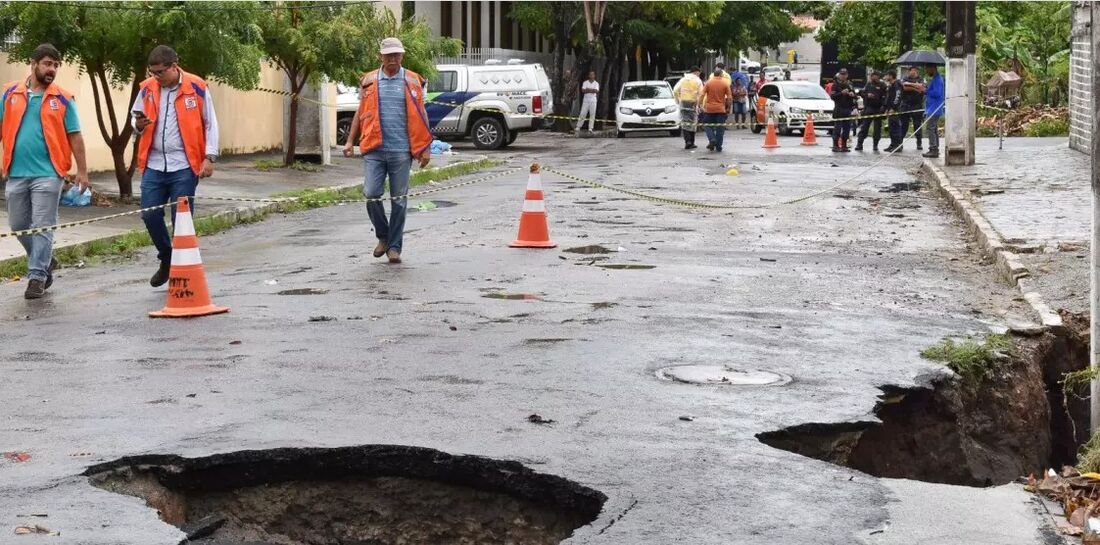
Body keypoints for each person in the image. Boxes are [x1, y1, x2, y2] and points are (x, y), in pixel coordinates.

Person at [1, 43, 89, 299]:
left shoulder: (63, 98)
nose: (52, 70)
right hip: (16, 172)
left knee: (42, 226)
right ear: (34, 63)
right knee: (18, 225)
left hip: (49, 174)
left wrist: (82, 171)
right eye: (48, 64)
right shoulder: (10, 95)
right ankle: (45, 259)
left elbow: (76, 136)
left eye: (56, 65)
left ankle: (37, 277)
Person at [131, 45, 218, 288]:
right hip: (154, 164)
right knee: (149, 214)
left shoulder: (197, 87)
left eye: (160, 72)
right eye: (152, 72)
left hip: (184, 164)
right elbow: (134, 120)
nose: (156, 77)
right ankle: (167, 258)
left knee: (181, 220)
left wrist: (210, 157)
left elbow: (210, 123)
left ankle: (182, 273)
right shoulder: (147, 88)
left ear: (174, 66)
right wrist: (138, 124)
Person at [342, 37, 432, 264]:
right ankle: (383, 236)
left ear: (402, 55)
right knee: (372, 194)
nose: (393, 59)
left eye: (397, 55)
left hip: (402, 151)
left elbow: (422, 115)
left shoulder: (412, 80)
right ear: (380, 56)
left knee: (399, 200)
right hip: (374, 148)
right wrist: (349, 141)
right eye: (389, 55)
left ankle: (394, 247)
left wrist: (426, 148)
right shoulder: (369, 81)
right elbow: (360, 113)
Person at [698, 67, 732, 152]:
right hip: (721, 109)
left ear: (714, 74)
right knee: (720, 128)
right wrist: (728, 108)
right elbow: (729, 98)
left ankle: (712, 139)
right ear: (721, 74)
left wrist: (700, 104)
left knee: (707, 125)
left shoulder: (708, 83)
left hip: (709, 109)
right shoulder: (725, 83)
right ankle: (718, 146)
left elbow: (702, 95)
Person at [672, 67, 703, 149]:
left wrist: (678, 100)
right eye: (699, 73)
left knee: (685, 122)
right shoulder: (698, 80)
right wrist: (699, 104)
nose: (699, 75)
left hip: (684, 102)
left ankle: (687, 141)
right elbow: (701, 93)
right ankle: (692, 142)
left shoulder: (683, 80)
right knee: (693, 122)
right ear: (696, 72)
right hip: (693, 103)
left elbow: (675, 90)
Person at [855, 71, 887, 152]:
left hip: (878, 109)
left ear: (878, 77)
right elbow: (862, 93)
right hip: (868, 108)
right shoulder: (868, 84)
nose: (874, 78)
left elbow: (885, 97)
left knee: (877, 129)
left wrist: (883, 107)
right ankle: (859, 144)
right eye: (872, 76)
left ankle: (875, 145)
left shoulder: (882, 85)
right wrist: (867, 95)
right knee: (864, 127)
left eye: (876, 76)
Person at [898, 65, 925, 151]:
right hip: (905, 105)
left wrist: (913, 86)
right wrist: (915, 87)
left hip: (916, 105)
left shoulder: (921, 79)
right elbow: (904, 87)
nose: (913, 72)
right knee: (903, 126)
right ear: (908, 71)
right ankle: (900, 143)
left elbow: (922, 88)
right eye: (911, 70)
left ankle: (919, 143)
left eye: (915, 70)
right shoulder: (905, 78)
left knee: (917, 125)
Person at [829, 69, 857, 152]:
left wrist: (852, 95)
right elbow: (832, 96)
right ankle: (835, 145)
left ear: (847, 75)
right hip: (839, 108)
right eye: (842, 74)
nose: (843, 76)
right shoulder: (835, 85)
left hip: (847, 109)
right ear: (839, 75)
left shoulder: (849, 84)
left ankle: (844, 145)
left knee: (847, 128)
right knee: (837, 128)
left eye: (845, 74)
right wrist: (841, 93)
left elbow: (855, 95)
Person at [922, 64, 945, 158]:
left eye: (927, 69)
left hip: (934, 108)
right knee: (933, 128)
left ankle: (933, 148)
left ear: (932, 68)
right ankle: (935, 148)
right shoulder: (935, 79)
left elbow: (937, 93)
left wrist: (926, 90)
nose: (927, 72)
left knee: (930, 128)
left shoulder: (938, 80)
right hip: (932, 108)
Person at [883, 70, 904, 152]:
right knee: (891, 128)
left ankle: (898, 145)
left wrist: (893, 108)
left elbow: (897, 97)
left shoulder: (897, 84)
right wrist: (887, 109)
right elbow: (889, 98)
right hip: (890, 109)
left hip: (895, 110)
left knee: (896, 128)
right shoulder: (891, 85)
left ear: (891, 76)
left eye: (887, 75)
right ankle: (893, 144)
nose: (885, 77)